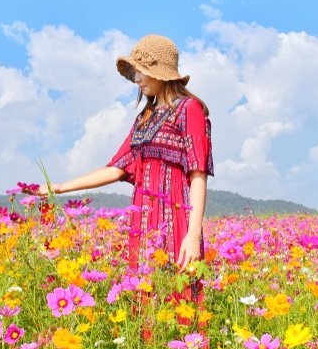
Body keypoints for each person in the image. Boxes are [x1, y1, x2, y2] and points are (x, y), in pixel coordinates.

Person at [37, 35, 213, 280]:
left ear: (161, 72)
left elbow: (198, 174)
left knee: (176, 292)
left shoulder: (189, 109)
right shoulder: (144, 118)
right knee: (144, 298)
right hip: (143, 221)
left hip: (177, 218)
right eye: (135, 73)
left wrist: (193, 234)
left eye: (141, 72)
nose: (137, 79)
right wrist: (59, 187)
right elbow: (117, 168)